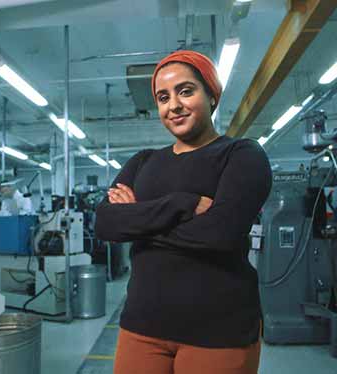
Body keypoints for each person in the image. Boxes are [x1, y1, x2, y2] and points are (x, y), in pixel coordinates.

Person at [95, 50, 272, 374]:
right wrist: (182, 204)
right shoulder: (143, 161)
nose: (173, 105)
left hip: (218, 331)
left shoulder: (242, 155)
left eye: (186, 91)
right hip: (141, 327)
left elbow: (219, 234)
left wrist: (137, 220)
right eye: (163, 97)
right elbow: (106, 223)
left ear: (212, 95)